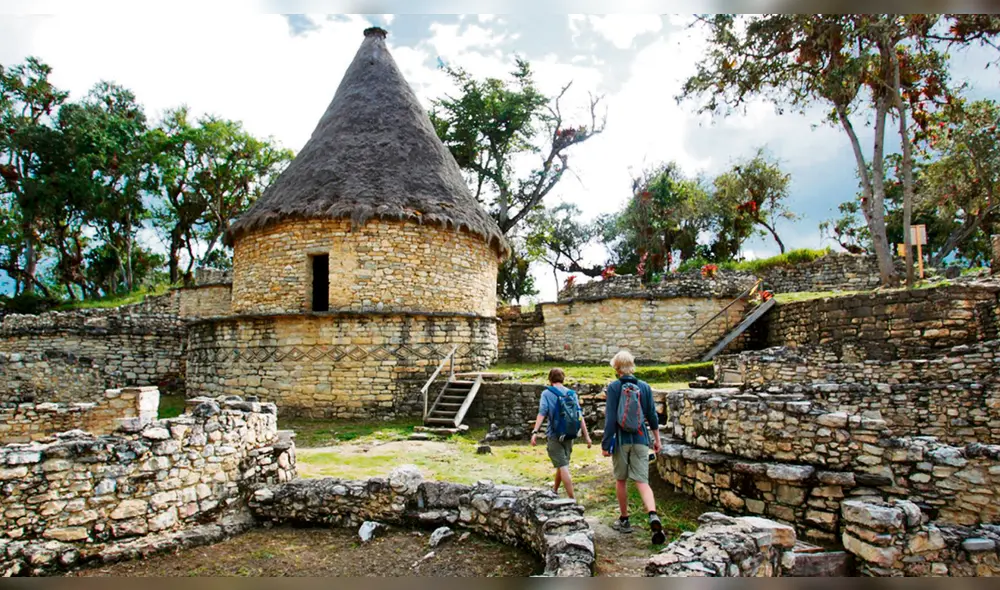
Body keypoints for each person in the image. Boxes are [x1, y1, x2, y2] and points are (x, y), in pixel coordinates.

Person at [601, 349, 666, 545]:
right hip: (640, 438)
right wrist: (657, 439)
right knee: (642, 481)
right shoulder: (644, 387)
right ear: (632, 366)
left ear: (616, 368)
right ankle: (653, 515)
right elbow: (652, 416)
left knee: (621, 479)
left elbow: (611, 418)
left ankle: (624, 519)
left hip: (621, 441)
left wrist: (606, 444)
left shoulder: (613, 388)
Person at [530, 367, 592, 500]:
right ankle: (555, 490)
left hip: (555, 434)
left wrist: (535, 432)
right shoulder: (572, 394)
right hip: (570, 434)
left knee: (563, 466)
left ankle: (571, 499)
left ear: (550, 379)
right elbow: (579, 415)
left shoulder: (547, 394)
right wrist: (587, 437)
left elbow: (542, 413)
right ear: (563, 378)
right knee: (562, 463)